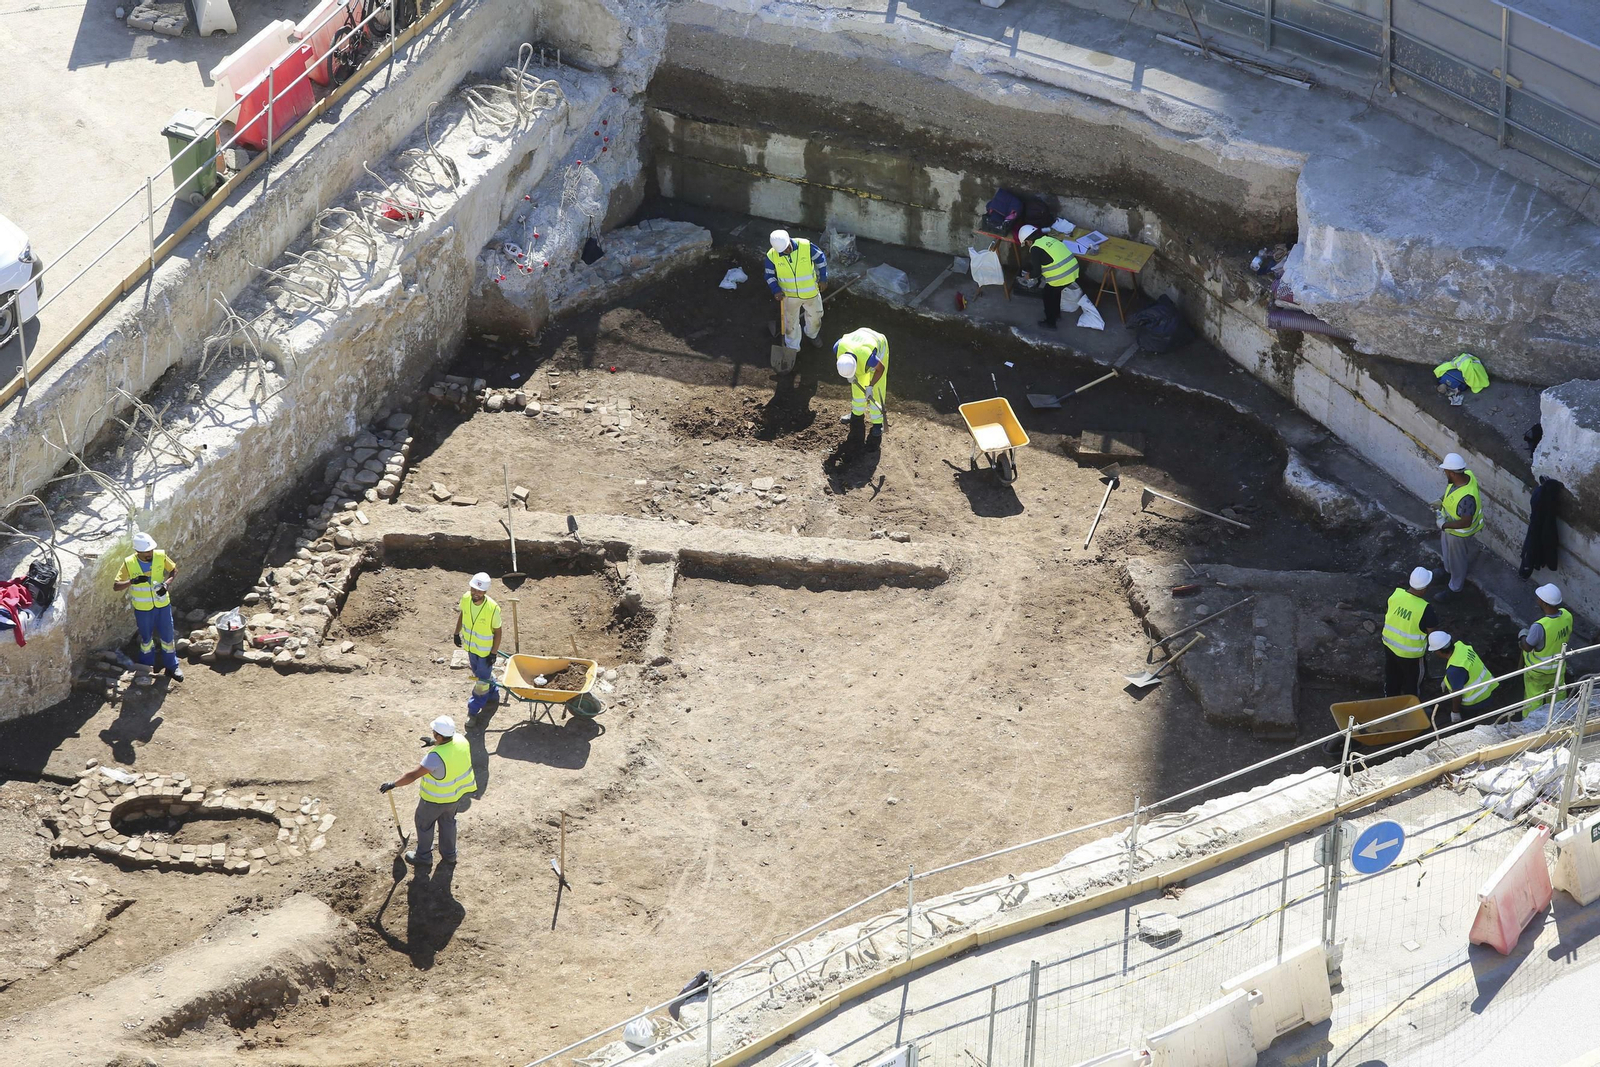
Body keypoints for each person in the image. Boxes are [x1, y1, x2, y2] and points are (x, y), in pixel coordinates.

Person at [379, 715, 477, 868]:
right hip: (455, 796)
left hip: (434, 800)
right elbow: (450, 749)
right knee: (448, 823)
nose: (432, 734)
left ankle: (423, 857)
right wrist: (433, 742)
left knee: (424, 825)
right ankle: (450, 855)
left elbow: (413, 775)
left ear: (439, 735)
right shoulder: (461, 740)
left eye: (434, 733)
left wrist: (393, 784)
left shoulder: (435, 757)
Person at [112, 532, 183, 682]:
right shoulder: (129, 563)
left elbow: (174, 570)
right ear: (138, 551)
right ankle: (146, 667)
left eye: (151, 550)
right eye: (146, 552)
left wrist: (167, 584)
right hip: (143, 609)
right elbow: (116, 586)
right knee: (146, 639)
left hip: (162, 604)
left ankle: (172, 666)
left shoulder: (160, 556)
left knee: (168, 636)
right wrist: (132, 581)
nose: (150, 553)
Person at [765, 229, 828, 352]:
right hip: (788, 296)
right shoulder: (771, 256)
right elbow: (769, 275)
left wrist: (823, 278)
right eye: (783, 251)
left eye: (788, 247)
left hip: (811, 293)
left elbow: (820, 259)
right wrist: (775, 290)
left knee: (815, 317)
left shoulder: (805, 246)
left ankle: (812, 335)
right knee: (790, 323)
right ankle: (793, 348)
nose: (787, 251)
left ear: (790, 240)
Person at [452, 572, 502, 724]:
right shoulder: (466, 597)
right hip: (470, 648)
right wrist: (456, 632)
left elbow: (498, 632)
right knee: (481, 675)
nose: (476, 593)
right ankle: (493, 695)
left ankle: (473, 711)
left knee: (481, 681)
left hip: (485, 653)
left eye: (479, 591)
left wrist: (493, 653)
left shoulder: (492, 608)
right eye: (474, 589)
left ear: (485, 592)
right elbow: (463, 614)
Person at [1382, 566, 1438, 699]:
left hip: (1389, 645)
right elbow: (1433, 636)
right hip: (1411, 655)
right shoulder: (1425, 609)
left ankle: (1389, 701)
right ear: (1424, 588)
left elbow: (1389, 612)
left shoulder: (1396, 595)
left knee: (1392, 675)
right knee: (1413, 682)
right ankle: (1412, 706)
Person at [1016, 224, 1083, 330]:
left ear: (1028, 241)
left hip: (1061, 276)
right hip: (1073, 270)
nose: (1028, 246)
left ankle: (1050, 323)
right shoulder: (1049, 239)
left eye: (1026, 244)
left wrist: (1029, 276)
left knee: (1048, 296)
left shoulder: (1035, 249)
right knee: (1055, 292)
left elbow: (1037, 272)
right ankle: (1056, 315)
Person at [834, 327, 889, 454]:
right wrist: (851, 376)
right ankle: (856, 415)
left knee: (877, 390)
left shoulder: (868, 357)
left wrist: (870, 386)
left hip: (878, 345)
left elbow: (881, 369)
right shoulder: (838, 348)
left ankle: (877, 423)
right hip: (858, 348)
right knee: (857, 388)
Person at [1520, 583, 1575, 710]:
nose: (1537, 600)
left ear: (1544, 603)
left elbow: (1527, 647)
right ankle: (1558, 716)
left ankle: (1531, 724)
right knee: (1557, 694)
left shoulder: (1540, 626)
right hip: (1559, 667)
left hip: (1538, 671)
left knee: (1533, 699)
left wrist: (1522, 636)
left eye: (1539, 599)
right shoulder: (1567, 615)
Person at [1436, 452, 1483, 597]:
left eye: (1446, 472)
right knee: (1447, 550)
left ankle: (1455, 587)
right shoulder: (1465, 475)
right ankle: (1447, 570)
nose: (1445, 474)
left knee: (1458, 560)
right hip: (1449, 527)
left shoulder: (1467, 498)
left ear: (1452, 473)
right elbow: (1452, 494)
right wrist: (1441, 500)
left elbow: (1465, 521)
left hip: (1458, 533)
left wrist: (1444, 526)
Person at [1428, 630, 1498, 726]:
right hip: (1487, 688)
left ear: (1439, 651)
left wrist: (1455, 711)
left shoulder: (1455, 670)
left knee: (1464, 725)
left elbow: (1457, 694)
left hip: (1475, 701)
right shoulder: (1461, 647)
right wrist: (1446, 679)